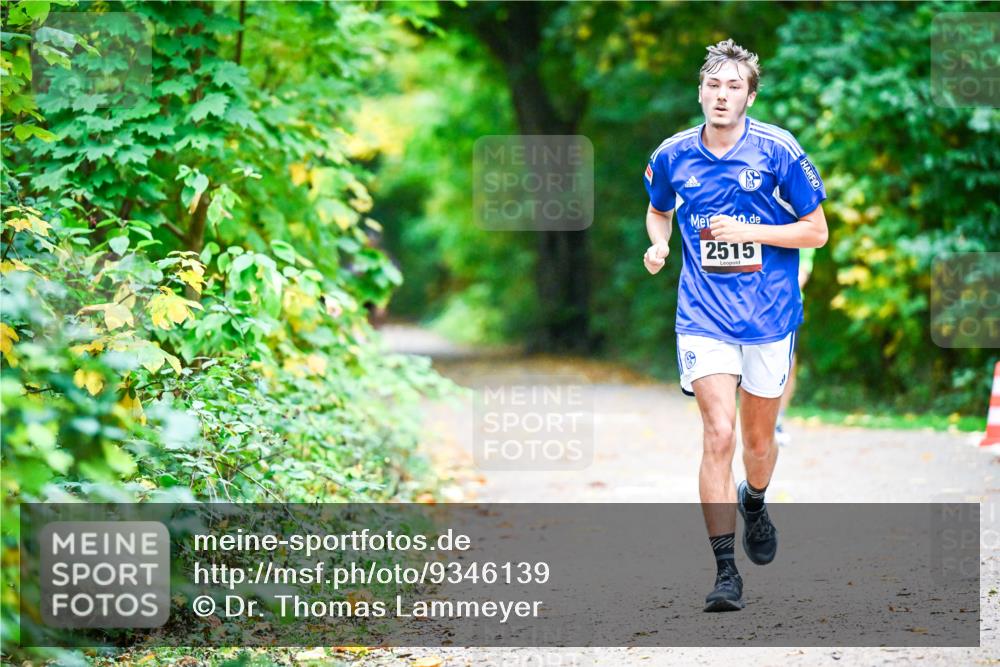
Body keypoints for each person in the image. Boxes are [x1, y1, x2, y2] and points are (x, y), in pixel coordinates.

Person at [641, 39, 828, 612]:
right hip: (704, 314)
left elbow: (816, 231)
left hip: (769, 314)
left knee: (757, 444)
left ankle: (756, 500)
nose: (722, 95)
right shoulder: (672, 154)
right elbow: (659, 208)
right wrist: (659, 244)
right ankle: (725, 571)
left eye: (734, 87)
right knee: (718, 434)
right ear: (700, 92)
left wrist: (752, 233)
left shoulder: (778, 151)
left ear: (750, 97)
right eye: (713, 85)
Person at [774, 247, 815, 446]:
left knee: (789, 365)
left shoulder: (803, 232)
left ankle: (777, 421)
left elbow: (803, 272)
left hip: (788, 306)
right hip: (757, 302)